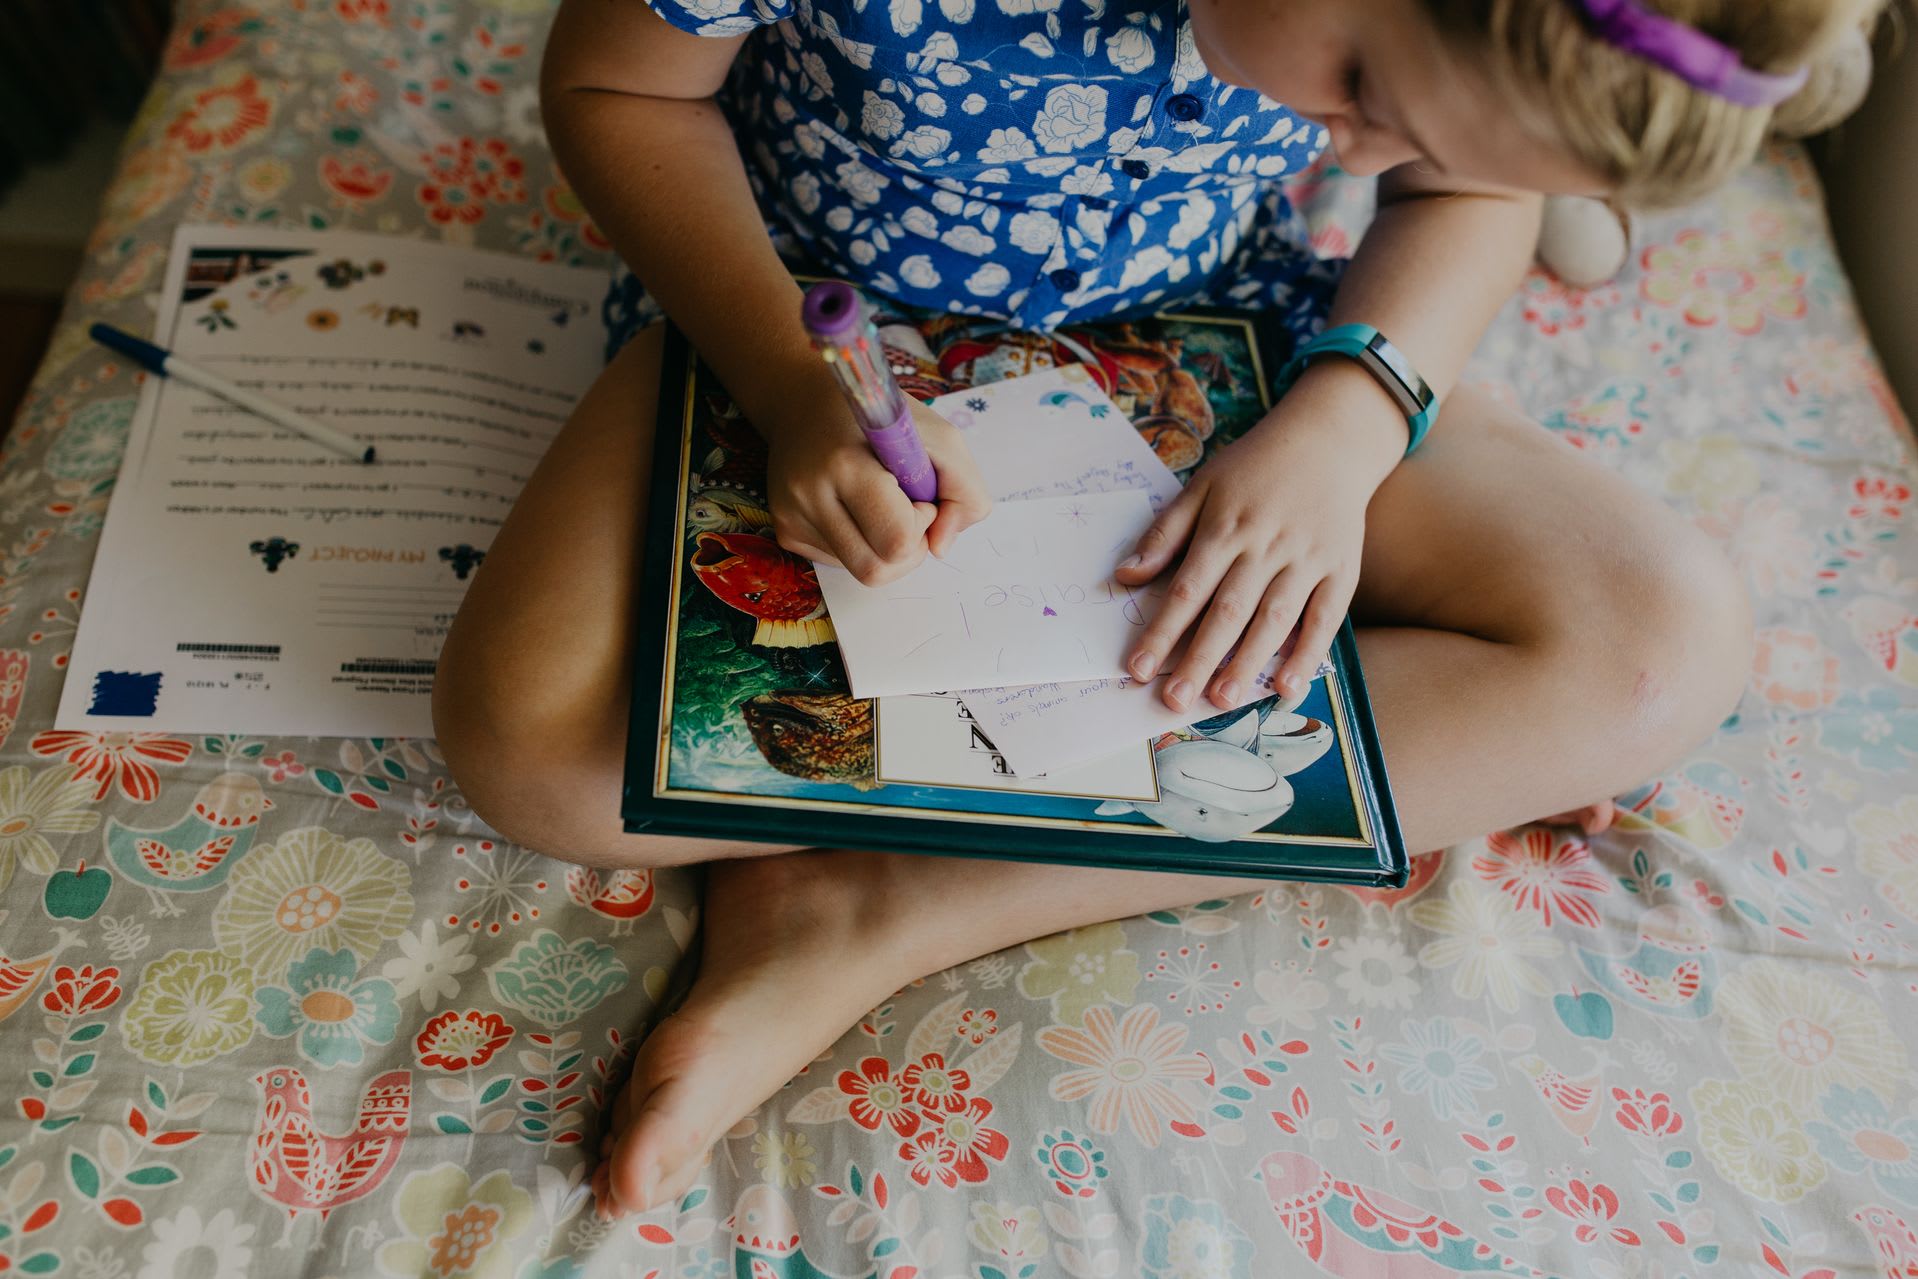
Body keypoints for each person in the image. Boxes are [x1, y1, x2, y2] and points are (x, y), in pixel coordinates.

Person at [434, 0, 1862, 1219]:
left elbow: (1455, 194)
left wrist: (1341, 432)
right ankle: (912, 836)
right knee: (534, 747)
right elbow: (615, 83)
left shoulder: (1412, 99)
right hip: (808, 345)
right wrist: (784, 383)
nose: (1352, 152)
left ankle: (883, 902)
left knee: (1652, 651)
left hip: (1233, 340)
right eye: (1364, 92)